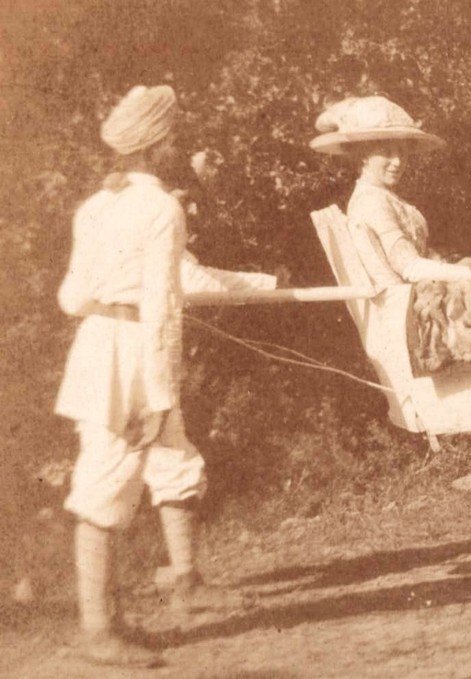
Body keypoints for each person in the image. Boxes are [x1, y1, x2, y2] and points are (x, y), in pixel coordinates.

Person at [55, 85, 249, 668]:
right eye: (173, 137)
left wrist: (113, 306)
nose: (176, 145)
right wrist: (159, 392)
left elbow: (71, 298)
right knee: (106, 480)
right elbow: (164, 304)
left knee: (173, 459)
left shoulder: (94, 207)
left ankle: (187, 582)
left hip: (101, 345)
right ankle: (97, 630)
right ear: (159, 144)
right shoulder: (161, 208)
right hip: (132, 355)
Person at [309, 95, 471, 285]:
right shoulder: (370, 201)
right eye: (387, 152)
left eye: (402, 152)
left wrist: (458, 268)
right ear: (363, 154)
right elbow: (411, 268)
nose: (397, 161)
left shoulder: (383, 196)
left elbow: (417, 261)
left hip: (418, 301)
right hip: (407, 312)